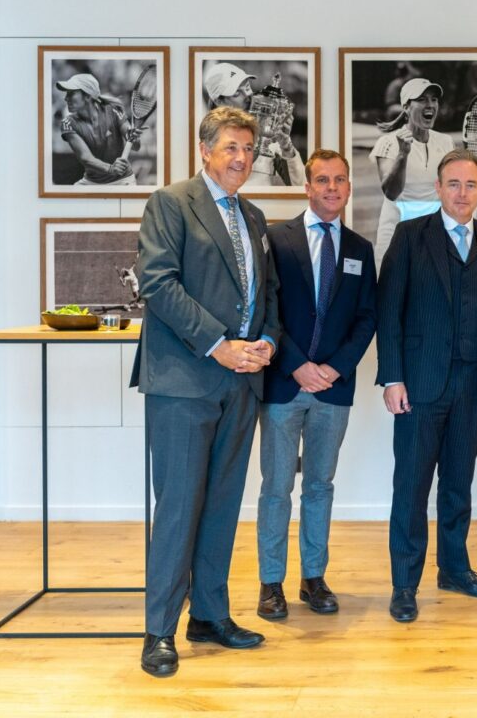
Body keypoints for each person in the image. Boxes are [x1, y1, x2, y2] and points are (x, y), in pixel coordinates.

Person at [131, 106, 281, 677]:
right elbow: (158, 284)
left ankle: (210, 616)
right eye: (231, 147)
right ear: (205, 150)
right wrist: (218, 344)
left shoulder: (254, 216)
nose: (242, 157)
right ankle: (159, 631)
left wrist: (266, 341)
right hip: (185, 381)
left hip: (242, 382)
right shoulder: (172, 203)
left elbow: (266, 294)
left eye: (248, 148)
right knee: (178, 508)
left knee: (221, 504)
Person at [376, 149, 477, 623]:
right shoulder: (410, 236)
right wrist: (392, 376)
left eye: (470, 184)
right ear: (438, 188)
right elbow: (388, 311)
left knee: (458, 483)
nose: (462, 193)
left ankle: (454, 570)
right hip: (419, 385)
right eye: (453, 184)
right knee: (411, 486)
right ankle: (404, 583)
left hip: (474, 386)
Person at [255, 149, 377, 621]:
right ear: (306, 187)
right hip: (284, 384)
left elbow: (366, 318)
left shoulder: (360, 249)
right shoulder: (276, 239)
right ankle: (271, 583)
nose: (332, 188)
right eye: (323, 180)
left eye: (340, 180)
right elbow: (265, 309)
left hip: (333, 388)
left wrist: (334, 368)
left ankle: (313, 578)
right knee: (276, 487)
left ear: (348, 187)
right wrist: (297, 365)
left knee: (321, 485)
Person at [369, 77, 457, 266]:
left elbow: (451, 189)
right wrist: (403, 154)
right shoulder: (387, 142)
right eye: (422, 99)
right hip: (395, 238)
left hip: (433, 238)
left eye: (434, 99)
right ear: (406, 107)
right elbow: (391, 192)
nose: (430, 105)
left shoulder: (446, 142)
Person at [203, 62, 306, 189]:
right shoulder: (207, 143)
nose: (248, 96)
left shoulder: (270, 138)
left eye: (247, 87)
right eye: (237, 93)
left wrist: (286, 146)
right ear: (219, 101)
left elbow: (300, 187)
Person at [56, 72, 144, 186]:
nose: (65, 98)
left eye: (71, 93)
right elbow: (86, 158)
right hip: (90, 182)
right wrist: (110, 168)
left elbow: (136, 147)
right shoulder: (68, 123)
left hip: (122, 181)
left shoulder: (113, 110)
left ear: (87, 96)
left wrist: (134, 138)